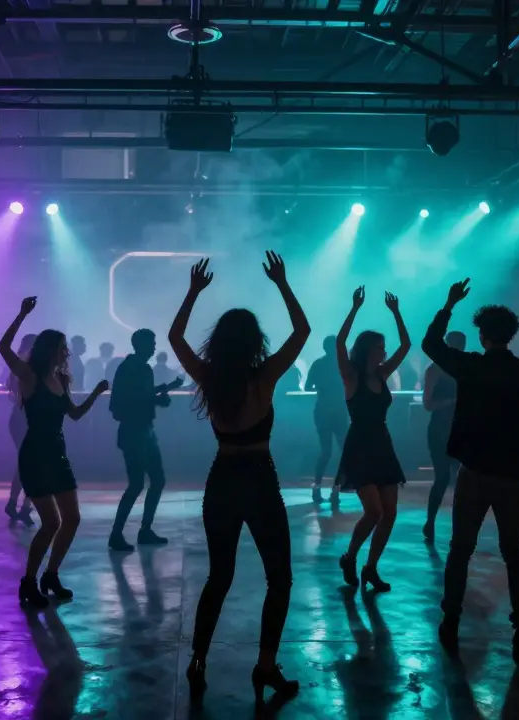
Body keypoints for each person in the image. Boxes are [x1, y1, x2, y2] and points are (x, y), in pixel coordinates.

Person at [169, 253, 309, 706]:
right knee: (279, 579)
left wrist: (192, 293)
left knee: (219, 576)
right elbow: (302, 332)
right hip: (259, 479)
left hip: (223, 478)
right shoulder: (264, 376)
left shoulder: (209, 377)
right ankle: (266, 665)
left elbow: (174, 337)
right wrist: (283, 284)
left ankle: (199, 659)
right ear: (253, 342)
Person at [421, 279, 519, 666]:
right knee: (515, 551)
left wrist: (448, 304)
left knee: (461, 549)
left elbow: (430, 345)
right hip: (512, 474)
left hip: (475, 472)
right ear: (511, 334)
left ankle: (451, 619)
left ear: (481, 334)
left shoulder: (470, 367)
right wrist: (515, 427)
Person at [0, 297, 109, 608]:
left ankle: (51, 574)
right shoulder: (30, 376)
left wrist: (97, 395)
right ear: (51, 349)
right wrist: (21, 314)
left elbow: (73, 414)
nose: (67, 352)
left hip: (57, 454)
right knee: (50, 523)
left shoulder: (60, 378)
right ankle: (29, 581)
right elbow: (4, 348)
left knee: (71, 519)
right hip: (35, 455)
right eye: (63, 347)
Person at [334, 287, 411, 593]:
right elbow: (340, 342)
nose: (384, 351)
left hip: (382, 444)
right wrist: (354, 308)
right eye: (379, 347)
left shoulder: (381, 373)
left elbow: (406, 345)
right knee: (375, 511)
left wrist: (396, 312)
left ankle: (371, 567)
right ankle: (350, 557)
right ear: (367, 349)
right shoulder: (351, 375)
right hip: (360, 447)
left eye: (383, 346)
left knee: (390, 512)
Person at [108, 328, 184, 551]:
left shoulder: (133, 368)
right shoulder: (137, 368)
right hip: (137, 433)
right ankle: (122, 533)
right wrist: (159, 399)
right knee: (140, 484)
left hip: (141, 432)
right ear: (140, 345)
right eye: (151, 343)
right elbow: (134, 398)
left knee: (152, 481)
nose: (154, 347)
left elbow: (135, 396)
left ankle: (141, 530)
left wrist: (159, 394)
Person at [422, 331, 466, 542]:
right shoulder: (435, 370)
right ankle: (430, 521)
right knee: (443, 477)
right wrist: (450, 402)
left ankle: (453, 525)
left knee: (458, 479)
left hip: (460, 428)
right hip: (441, 429)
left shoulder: (464, 369)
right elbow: (427, 404)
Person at [306, 336, 347, 503]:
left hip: (322, 411)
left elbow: (308, 386)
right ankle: (336, 489)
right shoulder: (343, 364)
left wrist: (321, 386)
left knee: (326, 451)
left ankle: (317, 486)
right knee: (344, 451)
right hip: (339, 412)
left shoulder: (318, 364)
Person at [3, 334, 37, 525]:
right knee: (30, 464)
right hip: (27, 418)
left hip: (21, 417)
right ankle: (23, 506)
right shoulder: (31, 366)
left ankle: (19, 504)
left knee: (27, 463)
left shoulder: (19, 365)